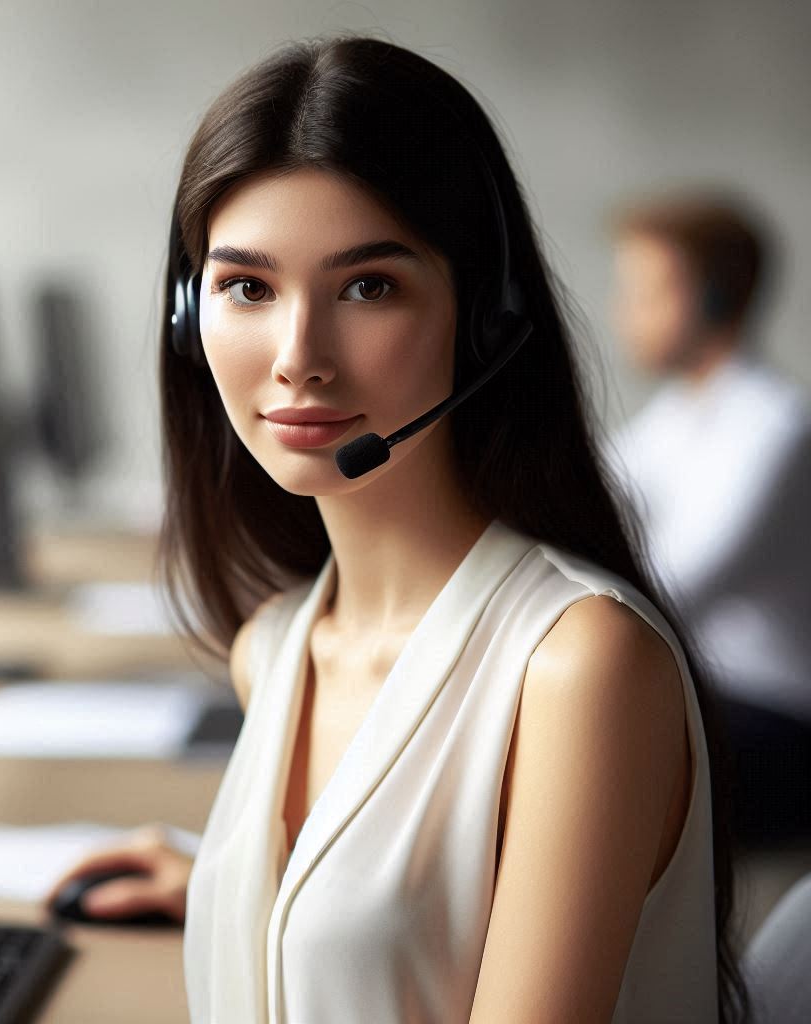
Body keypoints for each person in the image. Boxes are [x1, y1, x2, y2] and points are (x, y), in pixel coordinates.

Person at [46, 36, 749, 1022]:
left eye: (368, 286)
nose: (298, 357)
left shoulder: (581, 667)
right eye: (247, 286)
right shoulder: (275, 647)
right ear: (185, 317)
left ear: (484, 321)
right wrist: (236, 888)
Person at [605, 192, 811, 849]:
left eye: (648, 293)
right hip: (707, 694)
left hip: (779, 718)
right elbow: (582, 507)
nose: (624, 315)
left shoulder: (777, 426)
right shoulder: (673, 417)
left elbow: (681, 587)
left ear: (718, 299)